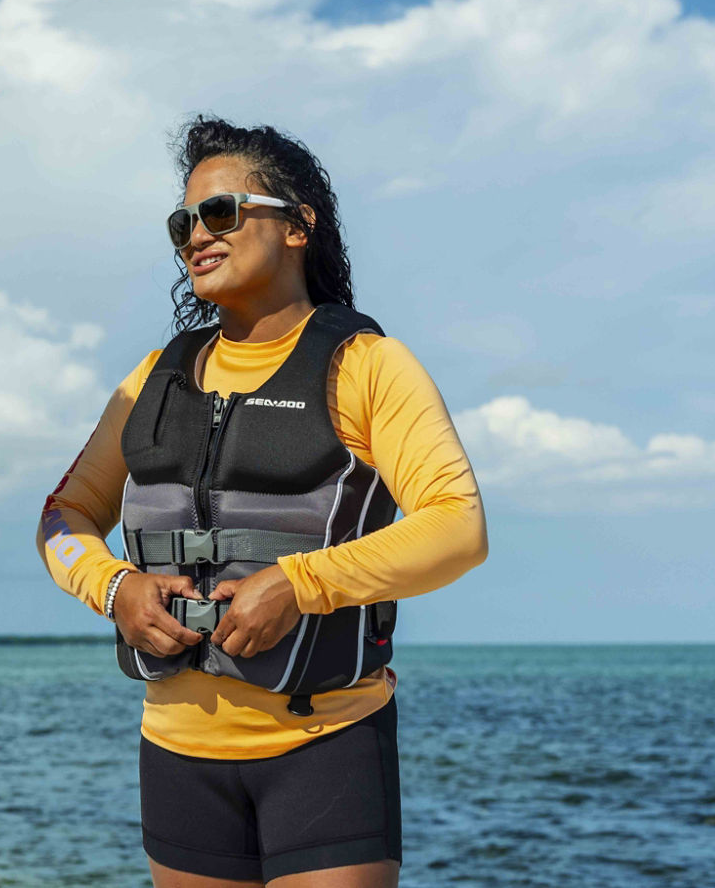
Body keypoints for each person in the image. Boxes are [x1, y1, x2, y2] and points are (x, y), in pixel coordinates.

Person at [38, 117, 488, 888]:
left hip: (326, 748)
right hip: (176, 755)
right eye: (183, 223)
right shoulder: (154, 378)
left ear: (297, 226)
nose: (195, 237)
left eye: (221, 212)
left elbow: (458, 526)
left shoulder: (368, 365)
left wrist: (301, 583)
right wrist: (114, 587)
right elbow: (62, 517)